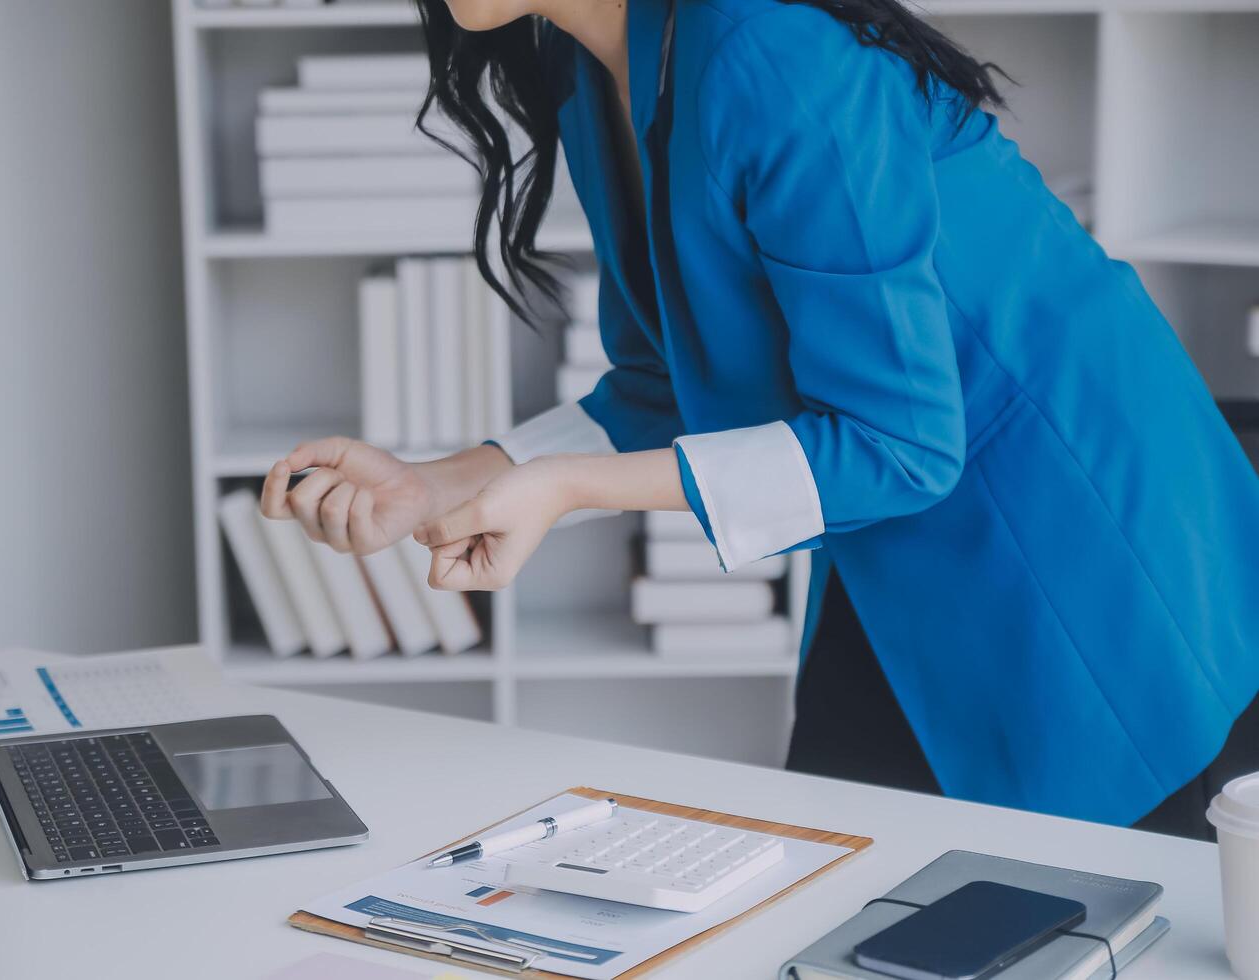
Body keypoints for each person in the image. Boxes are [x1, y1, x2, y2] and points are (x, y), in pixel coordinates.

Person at [260, 0, 1259, 840]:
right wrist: (445, 481)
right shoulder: (598, 66)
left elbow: (900, 442)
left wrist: (559, 488)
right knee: (853, 888)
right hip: (907, 549)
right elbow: (668, 377)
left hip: (1093, 554)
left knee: (1074, 915)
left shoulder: (772, 53)